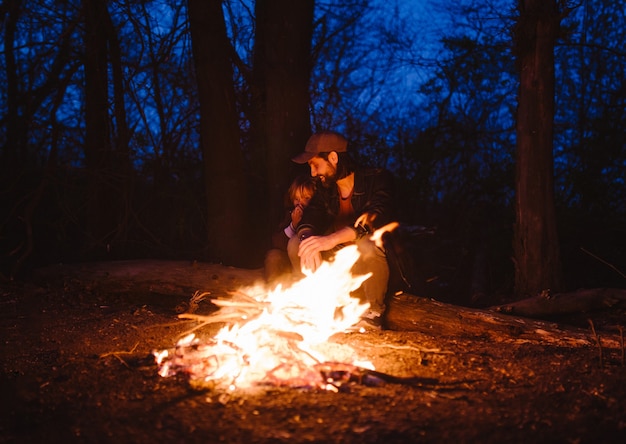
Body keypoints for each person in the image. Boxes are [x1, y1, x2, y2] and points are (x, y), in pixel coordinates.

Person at [287, 131, 395, 330]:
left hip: (372, 266)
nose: (312, 173)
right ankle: (314, 306)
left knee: (367, 244)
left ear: (333, 158)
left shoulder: (378, 180)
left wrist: (330, 239)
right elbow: (310, 219)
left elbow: (374, 219)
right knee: (297, 243)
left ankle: (373, 313)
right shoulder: (325, 190)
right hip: (337, 263)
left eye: (315, 164)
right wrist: (308, 237)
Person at [264, 174, 316, 285]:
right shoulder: (290, 214)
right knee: (273, 257)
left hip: (309, 261)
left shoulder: (316, 214)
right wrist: (293, 224)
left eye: (306, 198)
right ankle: (273, 292)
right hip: (287, 260)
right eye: (297, 199)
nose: (300, 203)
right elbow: (277, 243)